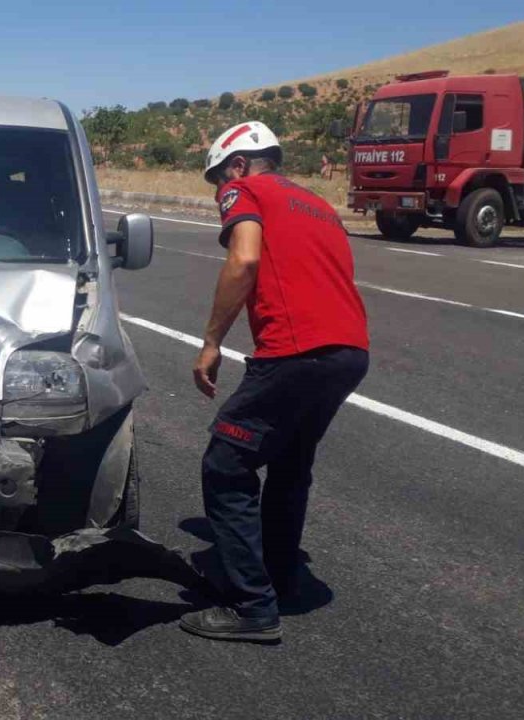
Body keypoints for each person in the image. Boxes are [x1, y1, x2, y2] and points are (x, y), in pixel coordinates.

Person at [179, 121, 369, 644]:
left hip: (298, 350)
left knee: (226, 462)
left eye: (219, 178)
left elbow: (244, 259)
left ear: (238, 165)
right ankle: (280, 577)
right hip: (350, 351)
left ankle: (252, 606)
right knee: (288, 463)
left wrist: (212, 341)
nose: (221, 191)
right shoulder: (318, 205)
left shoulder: (246, 189)